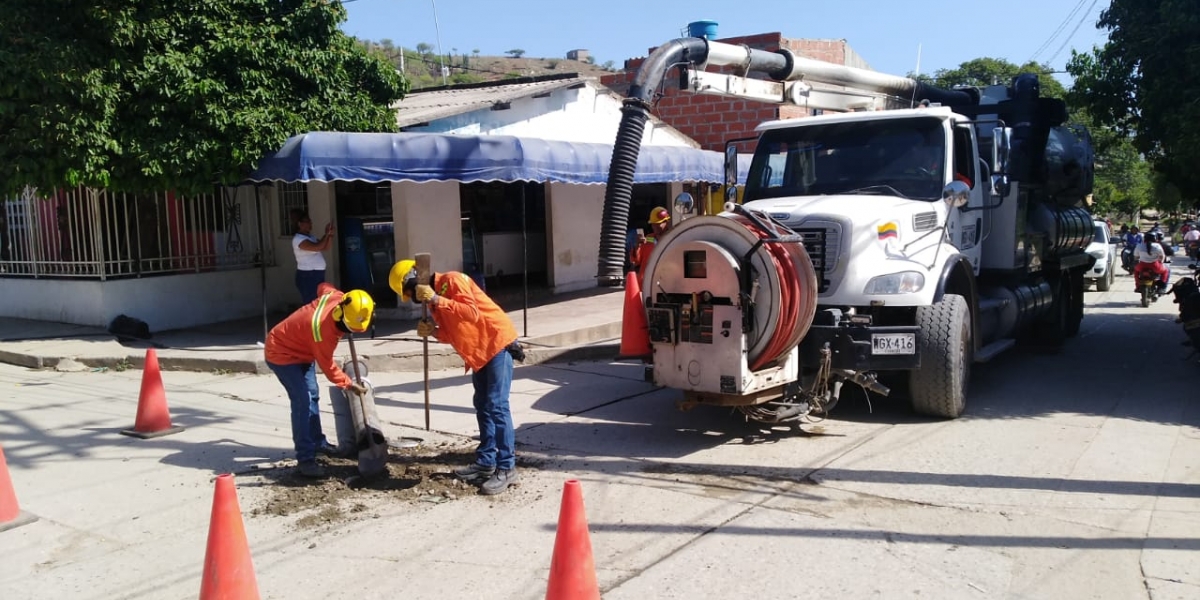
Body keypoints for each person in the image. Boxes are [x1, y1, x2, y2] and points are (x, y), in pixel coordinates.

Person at [389, 259, 523, 495]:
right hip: (478, 352)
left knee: (496, 405)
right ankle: (486, 462)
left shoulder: (452, 280)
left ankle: (507, 468)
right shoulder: (433, 304)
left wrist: (436, 299)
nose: (413, 299)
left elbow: (471, 313)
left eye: (410, 293)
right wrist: (433, 332)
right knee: (482, 405)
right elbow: (453, 334)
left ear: (413, 279)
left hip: (496, 344)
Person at [265, 282, 373, 477]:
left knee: (313, 394)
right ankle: (305, 459)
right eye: (347, 328)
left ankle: (317, 443)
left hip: (303, 351)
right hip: (281, 353)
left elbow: (323, 286)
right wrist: (349, 384)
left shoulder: (338, 297)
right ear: (340, 315)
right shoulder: (322, 333)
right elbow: (329, 368)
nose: (346, 333)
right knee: (302, 401)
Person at [292, 211, 335, 305]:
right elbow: (318, 247)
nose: (310, 224)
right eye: (307, 222)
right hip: (308, 276)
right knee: (312, 304)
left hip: (316, 275)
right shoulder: (298, 239)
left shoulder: (311, 237)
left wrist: (330, 235)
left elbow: (325, 247)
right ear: (300, 224)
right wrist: (326, 234)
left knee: (318, 302)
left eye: (310, 222)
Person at [629, 206, 672, 286]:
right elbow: (635, 261)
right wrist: (637, 246)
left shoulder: (673, 239)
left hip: (666, 284)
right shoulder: (648, 239)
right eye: (653, 224)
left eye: (657, 224)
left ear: (667, 222)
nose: (654, 227)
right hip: (646, 285)